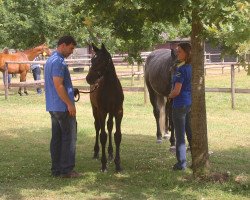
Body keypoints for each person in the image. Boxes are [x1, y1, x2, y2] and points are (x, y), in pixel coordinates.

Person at [44, 36, 80, 178]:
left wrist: (71, 90)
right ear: (63, 45)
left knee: (57, 138)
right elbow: (58, 85)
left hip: (53, 106)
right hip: (62, 107)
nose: (71, 51)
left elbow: (58, 84)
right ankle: (66, 170)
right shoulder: (59, 62)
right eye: (71, 48)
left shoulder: (50, 60)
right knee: (69, 137)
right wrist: (70, 104)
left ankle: (57, 169)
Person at [168, 42, 192, 171]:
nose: (177, 54)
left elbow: (176, 91)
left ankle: (181, 164)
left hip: (179, 104)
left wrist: (169, 96)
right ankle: (196, 159)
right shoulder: (191, 67)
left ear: (187, 53)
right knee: (190, 132)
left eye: (180, 51)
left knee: (180, 135)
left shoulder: (181, 70)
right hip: (189, 103)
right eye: (177, 51)